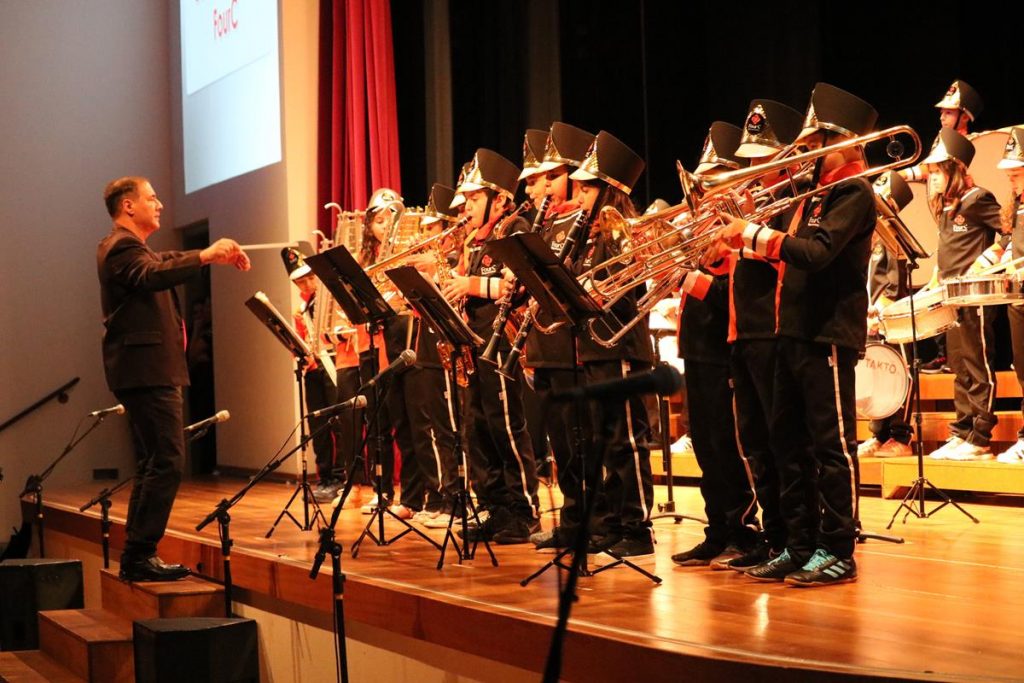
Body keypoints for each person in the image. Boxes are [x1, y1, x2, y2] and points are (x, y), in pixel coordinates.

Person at [718, 83, 879, 586]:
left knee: (833, 447)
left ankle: (838, 548)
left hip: (827, 333)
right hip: (792, 330)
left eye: (818, 142)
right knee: (789, 444)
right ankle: (798, 542)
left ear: (847, 143)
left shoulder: (854, 191)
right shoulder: (814, 195)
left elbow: (816, 253)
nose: (809, 151)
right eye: (810, 142)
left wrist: (754, 234)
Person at [98, 176, 250, 582]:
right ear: (128, 206)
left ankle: (137, 553)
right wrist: (205, 256)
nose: (160, 204)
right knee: (166, 461)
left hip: (146, 369)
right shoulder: (121, 248)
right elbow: (151, 274)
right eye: (152, 198)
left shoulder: (131, 249)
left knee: (156, 461)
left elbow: (161, 262)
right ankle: (139, 554)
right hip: (146, 370)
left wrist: (210, 255)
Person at [670, 121, 760, 569]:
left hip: (726, 345)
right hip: (696, 345)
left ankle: (743, 526)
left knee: (730, 442)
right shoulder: (701, 234)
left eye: (713, 181)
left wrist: (695, 281)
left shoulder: (743, 231)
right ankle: (717, 528)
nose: (703, 195)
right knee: (705, 443)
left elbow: (741, 293)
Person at [444, 149, 540, 544]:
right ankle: (496, 507)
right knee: (478, 427)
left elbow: (516, 285)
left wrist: (469, 285)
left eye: (475, 199)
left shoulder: (513, 227)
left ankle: (523, 510)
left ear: (499, 199)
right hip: (474, 343)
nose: (467, 207)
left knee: (505, 424)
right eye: (466, 199)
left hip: (502, 341)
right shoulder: (473, 239)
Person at [568, 130, 656, 557]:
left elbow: (628, 288)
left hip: (621, 347)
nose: (579, 194)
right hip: (595, 346)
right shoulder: (587, 234)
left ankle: (638, 528)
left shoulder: (622, 230)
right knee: (607, 442)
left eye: (587, 187)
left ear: (607, 190)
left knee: (626, 440)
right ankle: (616, 521)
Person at [519, 122, 598, 552]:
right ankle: (571, 518)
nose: (544, 187)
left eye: (552, 177)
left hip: (572, 348)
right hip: (545, 349)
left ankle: (590, 519)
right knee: (559, 444)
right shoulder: (545, 223)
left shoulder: (584, 222)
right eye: (541, 179)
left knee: (577, 438)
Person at [921, 129, 1003, 461]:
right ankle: (963, 429)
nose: (933, 178)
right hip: (950, 295)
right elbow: (946, 251)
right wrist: (934, 279)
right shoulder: (945, 206)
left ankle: (981, 436)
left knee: (977, 362)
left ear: (955, 168)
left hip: (975, 297)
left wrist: (989, 258)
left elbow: (1011, 230)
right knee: (959, 365)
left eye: (938, 171)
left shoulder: (979, 199)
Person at [901, 79, 983, 374]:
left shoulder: (966, 147)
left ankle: (955, 360)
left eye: (948, 113)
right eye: (942, 112)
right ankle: (944, 354)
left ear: (964, 116)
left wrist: (905, 173)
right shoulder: (941, 140)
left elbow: (932, 170)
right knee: (938, 286)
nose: (942, 116)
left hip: (966, 232)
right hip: (944, 223)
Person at [281, 247, 351, 502]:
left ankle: (341, 477)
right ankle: (325, 477)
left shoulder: (331, 298)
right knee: (317, 425)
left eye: (311, 277)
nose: (308, 283)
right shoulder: (302, 307)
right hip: (314, 369)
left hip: (335, 363)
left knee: (339, 423)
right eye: (301, 280)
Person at [992, 128, 1024, 463]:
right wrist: (982, 263)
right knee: (1022, 371)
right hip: (1018, 300)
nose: (1011, 181)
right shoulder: (1015, 205)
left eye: (1016, 174)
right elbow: (1005, 245)